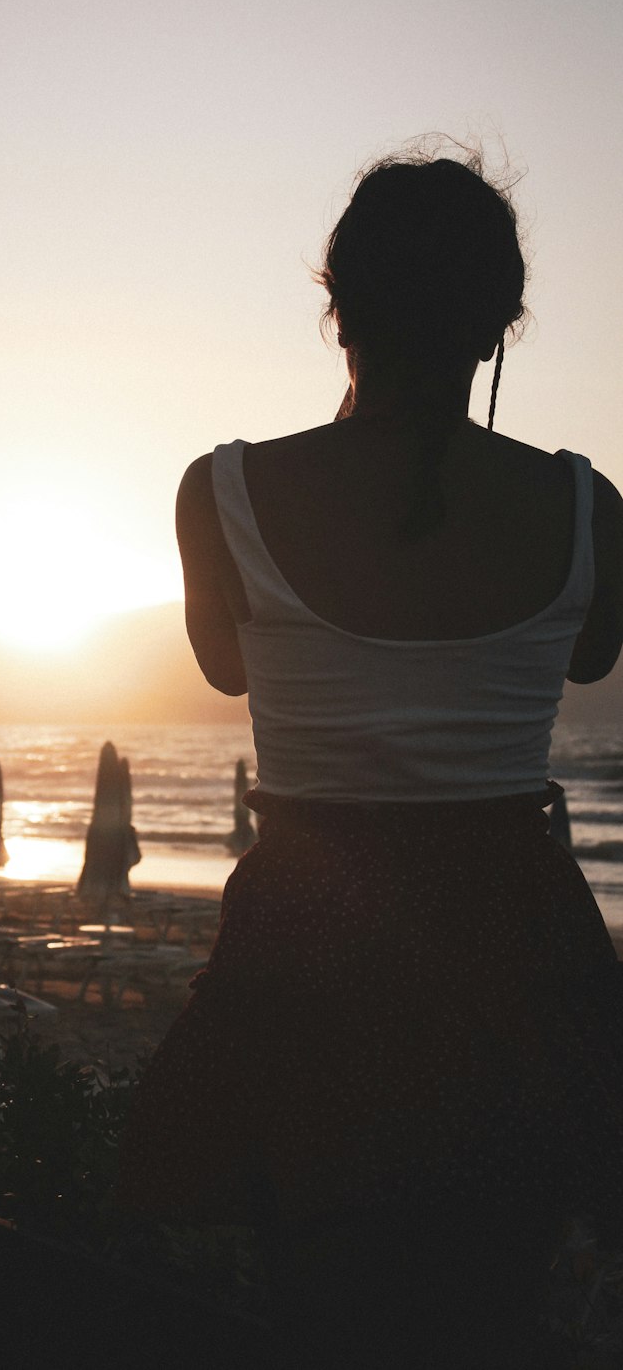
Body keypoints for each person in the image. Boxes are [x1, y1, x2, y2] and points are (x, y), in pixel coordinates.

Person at [116, 148, 623, 1368]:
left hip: (312, 933)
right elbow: (593, 658)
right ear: (500, 325)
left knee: (317, 1299)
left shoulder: (223, 491)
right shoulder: (586, 507)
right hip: (517, 941)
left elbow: (227, 670)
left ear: (336, 306)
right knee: (490, 1301)